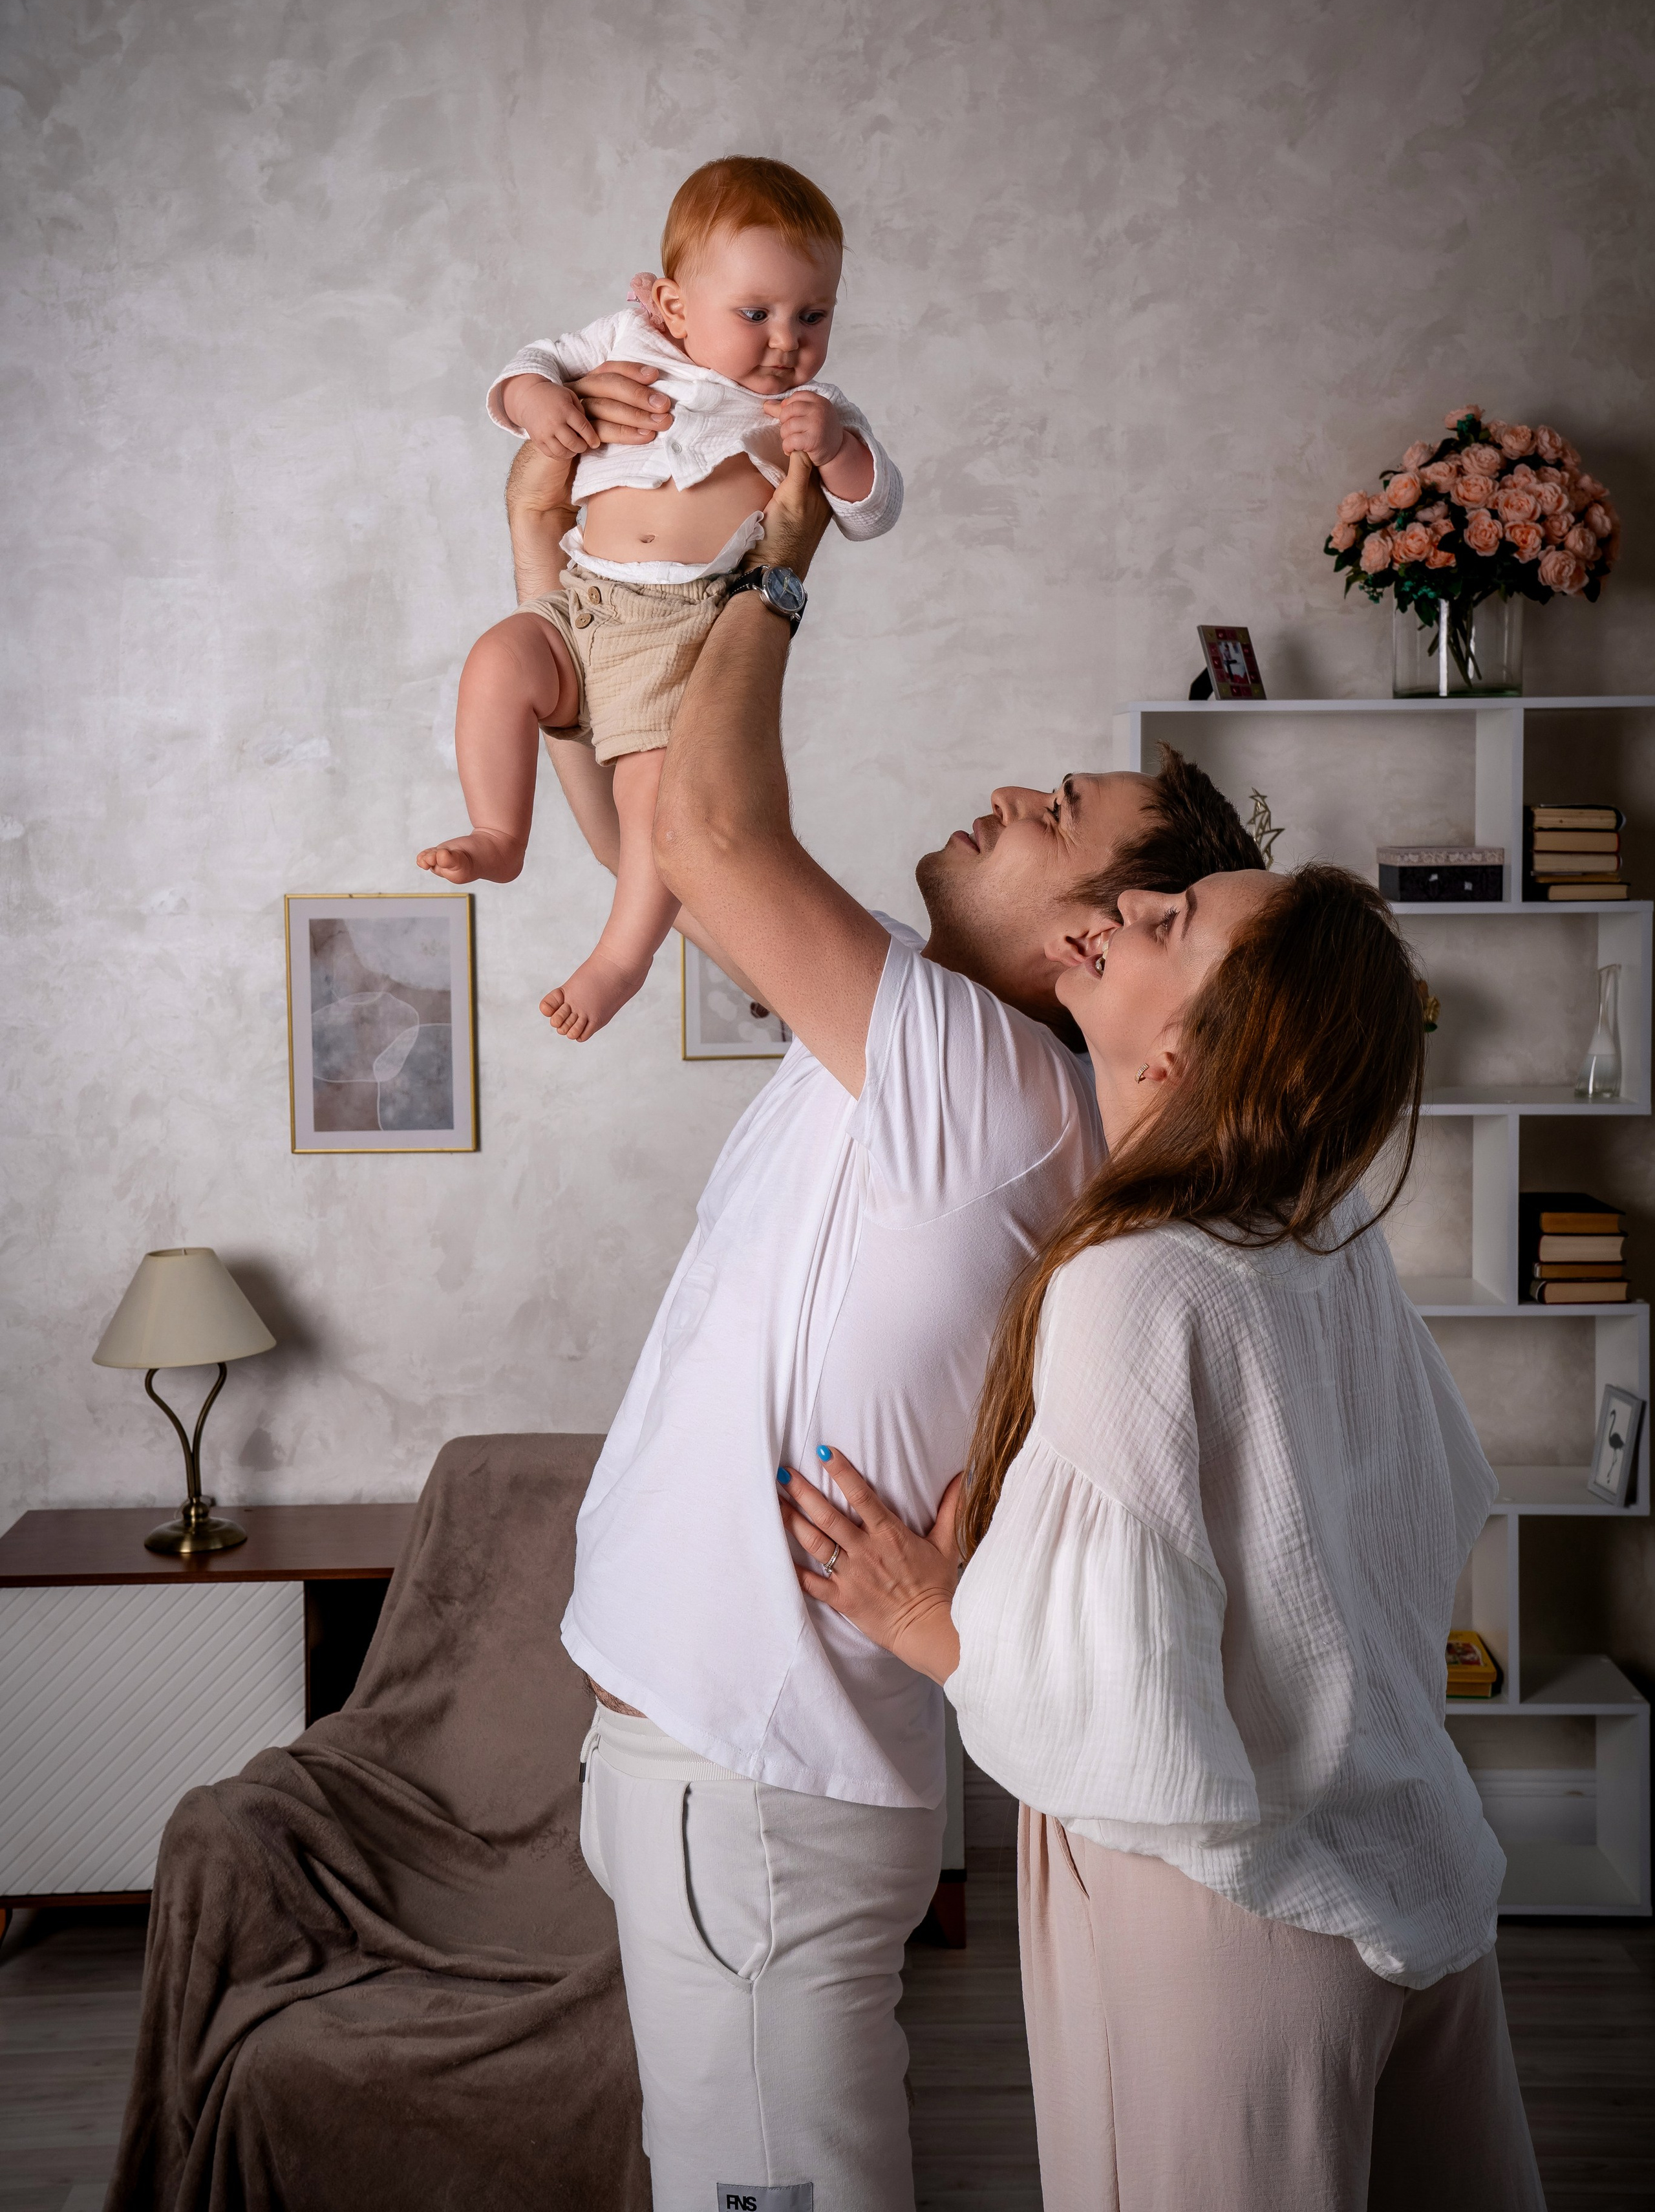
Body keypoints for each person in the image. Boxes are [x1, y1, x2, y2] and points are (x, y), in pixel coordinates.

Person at [546, 431, 1264, 2211]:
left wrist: (782, 560)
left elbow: (712, 834)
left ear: (1089, 942)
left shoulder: (990, 1081)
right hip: (721, 1769)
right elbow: (666, 846)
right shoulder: (920, 1046)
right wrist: (578, 681)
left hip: (749, 1778)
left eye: (1059, 816)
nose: (1010, 796)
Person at [778, 861, 1545, 2211]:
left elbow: (1116, 1713)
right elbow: (1426, 1514)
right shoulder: (1328, 1236)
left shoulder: (1132, 1282)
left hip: (1231, 1920)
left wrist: (928, 1622)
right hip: (1415, 1866)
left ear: (1189, 1049)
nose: (1118, 912)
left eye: (1167, 922)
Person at [418, 155, 901, 1040]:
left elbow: (873, 509)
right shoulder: (627, 340)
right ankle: (499, 832)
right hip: (583, 602)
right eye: (755, 313)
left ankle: (619, 958)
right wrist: (535, 400)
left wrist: (836, 450)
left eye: (813, 315)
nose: (786, 340)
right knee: (496, 662)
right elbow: (529, 366)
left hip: (681, 632)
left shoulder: (809, 406)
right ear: (675, 306)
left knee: (654, 803)